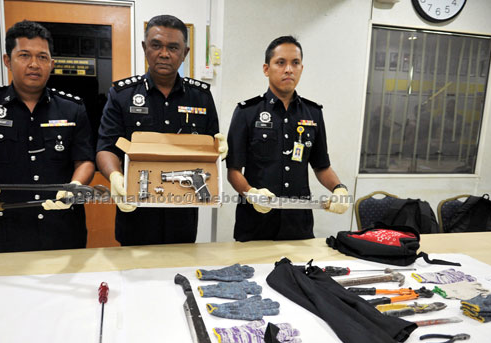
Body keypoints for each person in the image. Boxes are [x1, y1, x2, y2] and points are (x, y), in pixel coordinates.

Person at [0, 20, 95, 253]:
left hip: (64, 226)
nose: (34, 64)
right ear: (8, 60)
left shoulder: (72, 109)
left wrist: (75, 186)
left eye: (42, 57)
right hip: (10, 228)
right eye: (24, 55)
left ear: (52, 63)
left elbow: (85, 160)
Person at [96, 14, 227, 246]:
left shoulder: (201, 97)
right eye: (156, 45)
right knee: (133, 278)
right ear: (145, 48)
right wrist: (115, 176)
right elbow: (106, 147)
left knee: (178, 276)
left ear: (185, 53)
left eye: (173, 47)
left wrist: (219, 149)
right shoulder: (122, 94)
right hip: (135, 214)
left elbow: (212, 151)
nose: (164, 53)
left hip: (183, 217)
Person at [226, 36, 349, 242]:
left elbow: (321, 166)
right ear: (267, 69)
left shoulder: (313, 113)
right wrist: (250, 192)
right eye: (280, 63)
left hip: (298, 224)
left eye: (295, 63)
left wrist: (339, 188)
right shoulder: (247, 112)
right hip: (256, 222)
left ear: (302, 68)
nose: (289, 69)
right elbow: (233, 171)